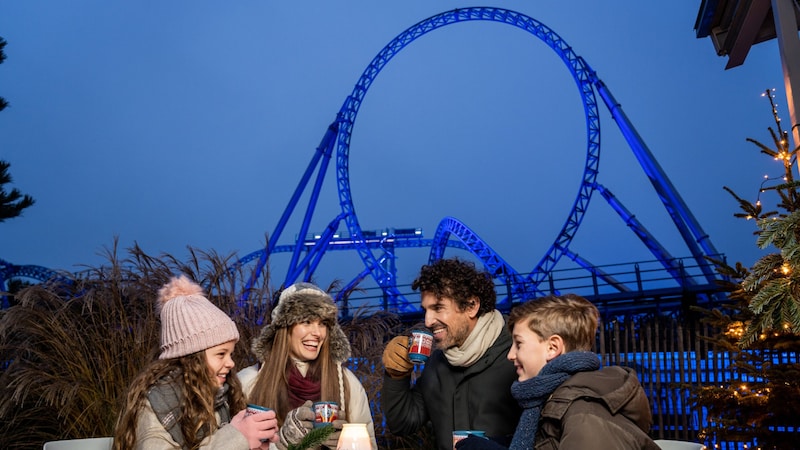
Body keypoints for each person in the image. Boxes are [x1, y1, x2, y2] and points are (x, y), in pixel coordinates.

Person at [456, 294, 660, 450]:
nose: (510, 355)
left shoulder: (584, 416)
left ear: (552, 348)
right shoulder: (553, 401)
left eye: (518, 344)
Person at [113, 275, 279, 450]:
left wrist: (252, 443)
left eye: (231, 354)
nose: (230, 363)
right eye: (221, 354)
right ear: (191, 358)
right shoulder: (156, 405)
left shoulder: (222, 398)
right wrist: (237, 437)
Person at [381, 257, 521, 450]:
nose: (428, 320)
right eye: (426, 310)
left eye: (438, 308)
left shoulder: (517, 355)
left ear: (471, 306)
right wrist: (396, 376)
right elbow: (403, 423)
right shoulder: (437, 361)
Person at [240, 282, 377, 450]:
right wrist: (282, 444)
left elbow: (368, 444)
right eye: (306, 322)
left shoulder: (347, 382)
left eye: (323, 324)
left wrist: (347, 444)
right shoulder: (249, 382)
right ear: (285, 328)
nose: (317, 333)